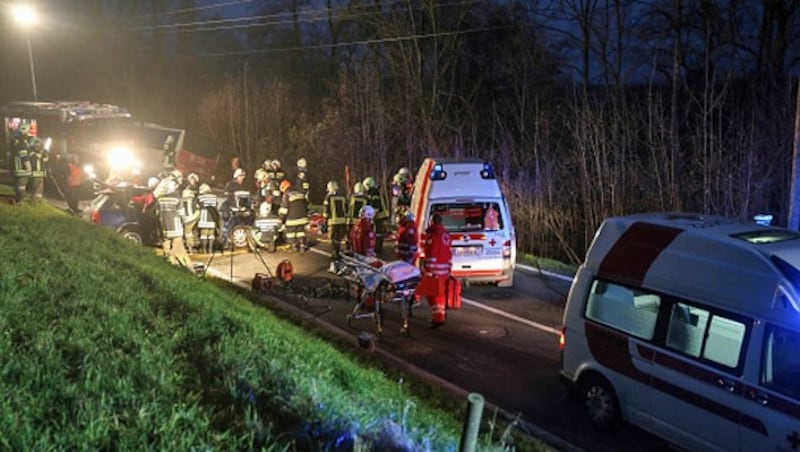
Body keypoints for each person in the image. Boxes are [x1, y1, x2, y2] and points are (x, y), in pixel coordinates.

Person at [423, 213, 452, 327]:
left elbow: (432, 253)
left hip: (435, 270)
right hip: (444, 269)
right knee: (440, 294)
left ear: (432, 222)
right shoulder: (446, 235)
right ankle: (440, 315)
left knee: (433, 294)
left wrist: (428, 269)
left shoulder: (433, 235)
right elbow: (449, 252)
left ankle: (438, 318)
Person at [278, 179, 309, 252]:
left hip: (292, 218)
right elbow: (305, 204)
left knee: (290, 232)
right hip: (303, 218)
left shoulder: (287, 194)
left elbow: (284, 209)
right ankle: (302, 246)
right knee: (300, 232)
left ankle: (294, 246)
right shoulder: (299, 192)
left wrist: (281, 219)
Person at [363, 176, 389, 253]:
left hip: (380, 215)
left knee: (378, 233)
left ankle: (378, 249)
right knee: (378, 232)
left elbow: (375, 207)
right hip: (380, 215)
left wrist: (371, 218)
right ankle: (377, 247)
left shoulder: (374, 193)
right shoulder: (374, 192)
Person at [323, 180, 348, 259]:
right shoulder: (342, 196)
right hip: (342, 221)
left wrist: (325, 220)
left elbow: (326, 210)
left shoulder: (328, 197)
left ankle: (334, 252)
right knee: (339, 238)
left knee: (332, 238)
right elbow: (346, 208)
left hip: (332, 221)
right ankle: (337, 251)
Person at [11, 123, 33, 202]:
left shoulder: (15, 141)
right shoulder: (22, 143)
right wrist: (29, 168)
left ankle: (19, 200)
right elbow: (24, 157)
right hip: (22, 170)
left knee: (18, 186)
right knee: (21, 187)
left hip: (16, 168)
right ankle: (21, 202)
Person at [197, 183, 220, 254]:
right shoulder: (214, 197)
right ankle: (210, 249)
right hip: (213, 217)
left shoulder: (201, 197)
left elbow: (198, 206)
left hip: (204, 217)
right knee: (211, 234)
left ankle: (204, 250)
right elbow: (216, 206)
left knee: (204, 234)